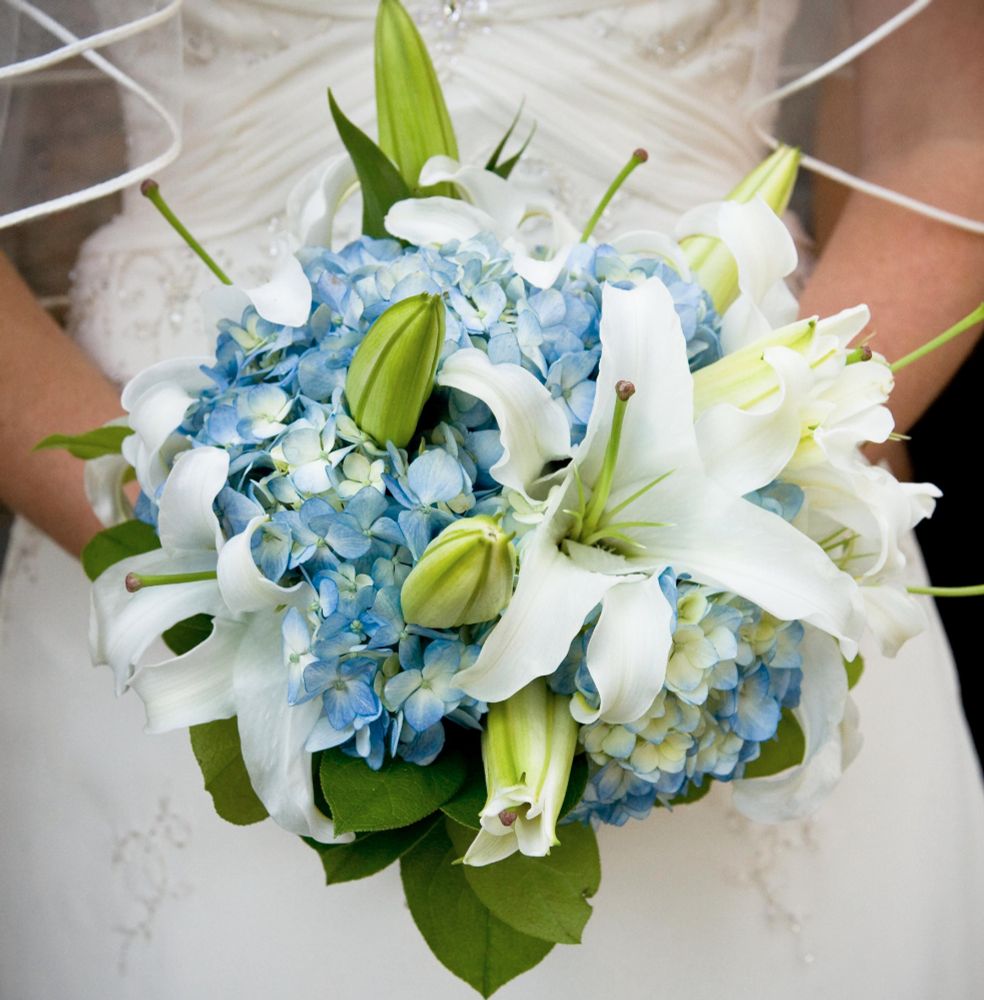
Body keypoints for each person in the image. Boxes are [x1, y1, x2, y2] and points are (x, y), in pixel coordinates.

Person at [1, 1, 982, 997]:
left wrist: (747, 476)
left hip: (738, 551)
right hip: (170, 542)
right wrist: (207, 555)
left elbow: (946, 137)